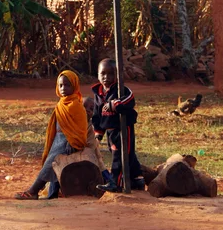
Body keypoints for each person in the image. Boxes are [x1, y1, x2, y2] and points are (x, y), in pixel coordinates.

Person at [15, 70, 87, 200]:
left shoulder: (76, 105)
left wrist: (73, 143)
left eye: (67, 85)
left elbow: (81, 129)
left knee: (50, 165)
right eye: (61, 85)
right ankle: (52, 196)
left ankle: (33, 191)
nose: (63, 88)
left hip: (67, 142)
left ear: (75, 86)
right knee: (54, 168)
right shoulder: (61, 104)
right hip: (57, 140)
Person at [92, 59, 145, 193]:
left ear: (117, 75)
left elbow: (130, 99)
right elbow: (97, 115)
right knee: (126, 154)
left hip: (123, 128)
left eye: (111, 74)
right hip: (110, 131)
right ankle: (137, 179)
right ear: (97, 74)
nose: (106, 77)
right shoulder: (98, 94)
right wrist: (98, 134)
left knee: (120, 155)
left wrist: (114, 104)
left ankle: (115, 182)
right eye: (103, 74)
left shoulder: (121, 89)